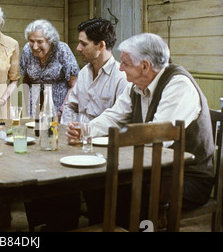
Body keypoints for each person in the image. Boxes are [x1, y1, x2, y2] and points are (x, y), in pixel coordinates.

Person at [66, 33, 215, 226]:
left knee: (119, 195)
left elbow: (158, 137)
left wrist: (119, 139)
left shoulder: (179, 85)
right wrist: (86, 130)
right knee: (99, 188)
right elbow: (115, 115)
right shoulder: (136, 85)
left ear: (145, 66)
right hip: (151, 171)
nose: (120, 67)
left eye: (126, 63)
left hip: (185, 178)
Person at [60, 18, 128, 124]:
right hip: (77, 137)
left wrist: (86, 131)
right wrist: (68, 130)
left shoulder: (121, 78)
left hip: (103, 139)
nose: (78, 48)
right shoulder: (83, 73)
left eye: (84, 44)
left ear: (101, 45)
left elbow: (119, 119)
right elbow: (70, 106)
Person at [20, 19, 79, 118]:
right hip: (34, 108)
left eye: (40, 42)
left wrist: (62, 110)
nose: (34, 46)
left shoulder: (62, 50)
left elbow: (74, 85)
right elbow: (26, 80)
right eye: (31, 41)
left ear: (50, 40)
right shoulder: (27, 50)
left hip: (60, 107)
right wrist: (26, 107)